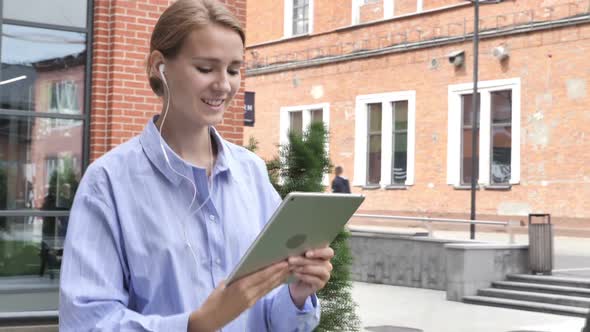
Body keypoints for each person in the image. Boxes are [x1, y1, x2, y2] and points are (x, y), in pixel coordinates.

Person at [58, 1, 334, 331]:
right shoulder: (108, 183)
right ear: (159, 66)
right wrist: (196, 324)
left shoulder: (252, 173)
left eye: (233, 69)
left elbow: (270, 316)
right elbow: (86, 323)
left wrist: (297, 294)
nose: (224, 85)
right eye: (206, 68)